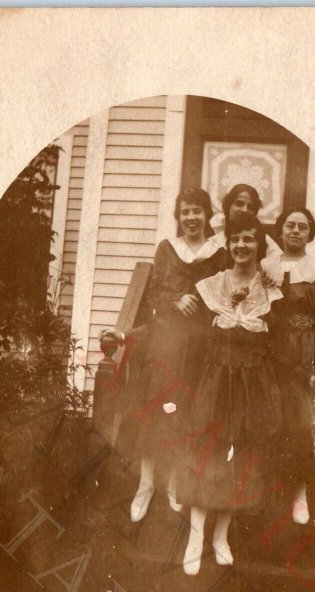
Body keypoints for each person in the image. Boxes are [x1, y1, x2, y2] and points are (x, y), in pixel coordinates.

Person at [103, 187, 226, 523]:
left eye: (197, 211)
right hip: (166, 343)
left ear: (207, 215)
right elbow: (155, 290)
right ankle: (145, 485)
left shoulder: (218, 253)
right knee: (156, 410)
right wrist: (176, 300)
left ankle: (173, 483)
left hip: (200, 347)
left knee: (184, 413)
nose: (191, 218)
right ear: (178, 216)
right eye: (185, 211)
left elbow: (223, 291)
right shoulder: (167, 249)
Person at [175, 212, 283, 576]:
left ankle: (221, 537)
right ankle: (195, 538)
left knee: (240, 459)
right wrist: (226, 308)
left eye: (249, 239)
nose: (241, 245)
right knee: (208, 454)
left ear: (259, 245)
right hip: (217, 379)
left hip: (252, 382)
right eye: (236, 238)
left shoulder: (269, 287)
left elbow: (280, 334)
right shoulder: (214, 283)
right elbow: (196, 336)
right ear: (229, 243)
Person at [261, 207, 315, 525]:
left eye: (302, 227)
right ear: (280, 231)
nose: (295, 231)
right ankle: (266, 493)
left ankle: (300, 494)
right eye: (289, 225)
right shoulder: (265, 266)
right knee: (270, 420)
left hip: (304, 354)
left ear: (310, 233)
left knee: (303, 425)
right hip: (270, 353)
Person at [210, 183, 281, 259]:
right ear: (228, 206)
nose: (245, 210)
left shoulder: (264, 239)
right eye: (239, 204)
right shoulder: (212, 232)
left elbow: (278, 265)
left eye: (250, 207)